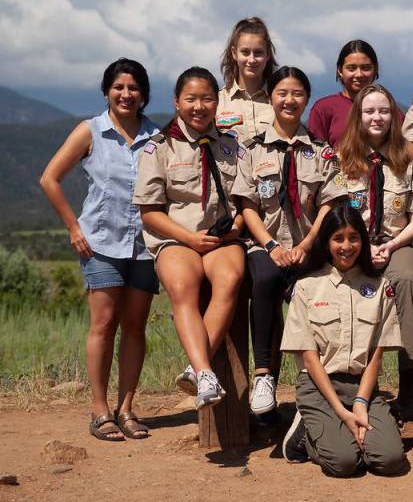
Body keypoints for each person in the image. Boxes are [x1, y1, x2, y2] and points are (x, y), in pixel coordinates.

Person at [39, 58, 161, 441]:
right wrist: (74, 227)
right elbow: (49, 179)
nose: (126, 95)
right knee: (104, 325)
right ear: (107, 91)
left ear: (144, 94)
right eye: (119, 87)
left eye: (134, 88)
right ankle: (99, 411)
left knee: (135, 326)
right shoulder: (89, 130)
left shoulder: (158, 136)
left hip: (145, 247)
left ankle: (126, 409)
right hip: (101, 244)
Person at [232, 66, 344, 416]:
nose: (289, 100)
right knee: (264, 278)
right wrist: (271, 247)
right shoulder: (251, 150)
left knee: (317, 293)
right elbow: (247, 206)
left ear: (307, 99)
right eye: (282, 93)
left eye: (297, 94)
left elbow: (329, 204)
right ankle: (264, 373)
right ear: (271, 99)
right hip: (266, 245)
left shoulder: (322, 152)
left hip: (308, 248)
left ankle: (316, 384)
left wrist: (307, 244)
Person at [134, 67, 246, 409]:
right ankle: (206, 372)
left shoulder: (232, 147)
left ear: (217, 102)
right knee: (183, 288)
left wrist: (238, 225)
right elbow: (150, 212)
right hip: (176, 238)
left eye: (207, 98)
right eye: (191, 99)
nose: (199, 106)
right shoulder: (158, 148)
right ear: (177, 102)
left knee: (230, 279)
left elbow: (245, 201)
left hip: (222, 239)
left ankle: (197, 370)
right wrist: (189, 239)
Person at [280, 205, 408, 477]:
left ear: (363, 241)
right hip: (320, 385)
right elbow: (309, 358)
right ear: (326, 242)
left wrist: (361, 402)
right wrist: (339, 410)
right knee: (344, 463)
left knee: (389, 460)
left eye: (354, 237)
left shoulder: (379, 286)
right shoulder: (306, 287)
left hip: (362, 384)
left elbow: (376, 353)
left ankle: (347, 428)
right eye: (338, 238)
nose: (346, 246)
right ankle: (305, 433)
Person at [334, 84, 413, 416]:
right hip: (352, 246)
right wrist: (359, 250)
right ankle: (354, 384)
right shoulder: (340, 157)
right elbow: (334, 214)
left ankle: (409, 383)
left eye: (384, 111)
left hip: (397, 241)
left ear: (394, 116)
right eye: (370, 111)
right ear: (358, 117)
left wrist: (391, 245)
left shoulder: (412, 157)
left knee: (407, 279)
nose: (377, 117)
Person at [216, 17, 278, 144]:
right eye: (245, 52)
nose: (252, 59)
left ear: (268, 55)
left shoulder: (279, 102)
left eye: (258, 52)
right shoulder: (217, 102)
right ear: (234, 53)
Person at [308, 39, 379, 147]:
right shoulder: (323, 109)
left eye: (366, 68)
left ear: (375, 69)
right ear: (340, 70)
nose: (359, 74)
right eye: (351, 68)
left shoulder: (389, 111)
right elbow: (314, 156)